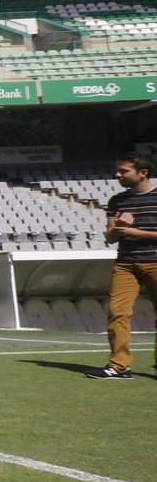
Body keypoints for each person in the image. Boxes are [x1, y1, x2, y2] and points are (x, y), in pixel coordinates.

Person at [92, 152, 157, 379]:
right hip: (126, 265)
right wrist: (117, 228)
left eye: (123, 171)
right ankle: (119, 366)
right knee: (117, 313)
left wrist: (136, 232)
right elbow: (110, 239)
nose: (117, 174)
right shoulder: (117, 200)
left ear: (143, 173)